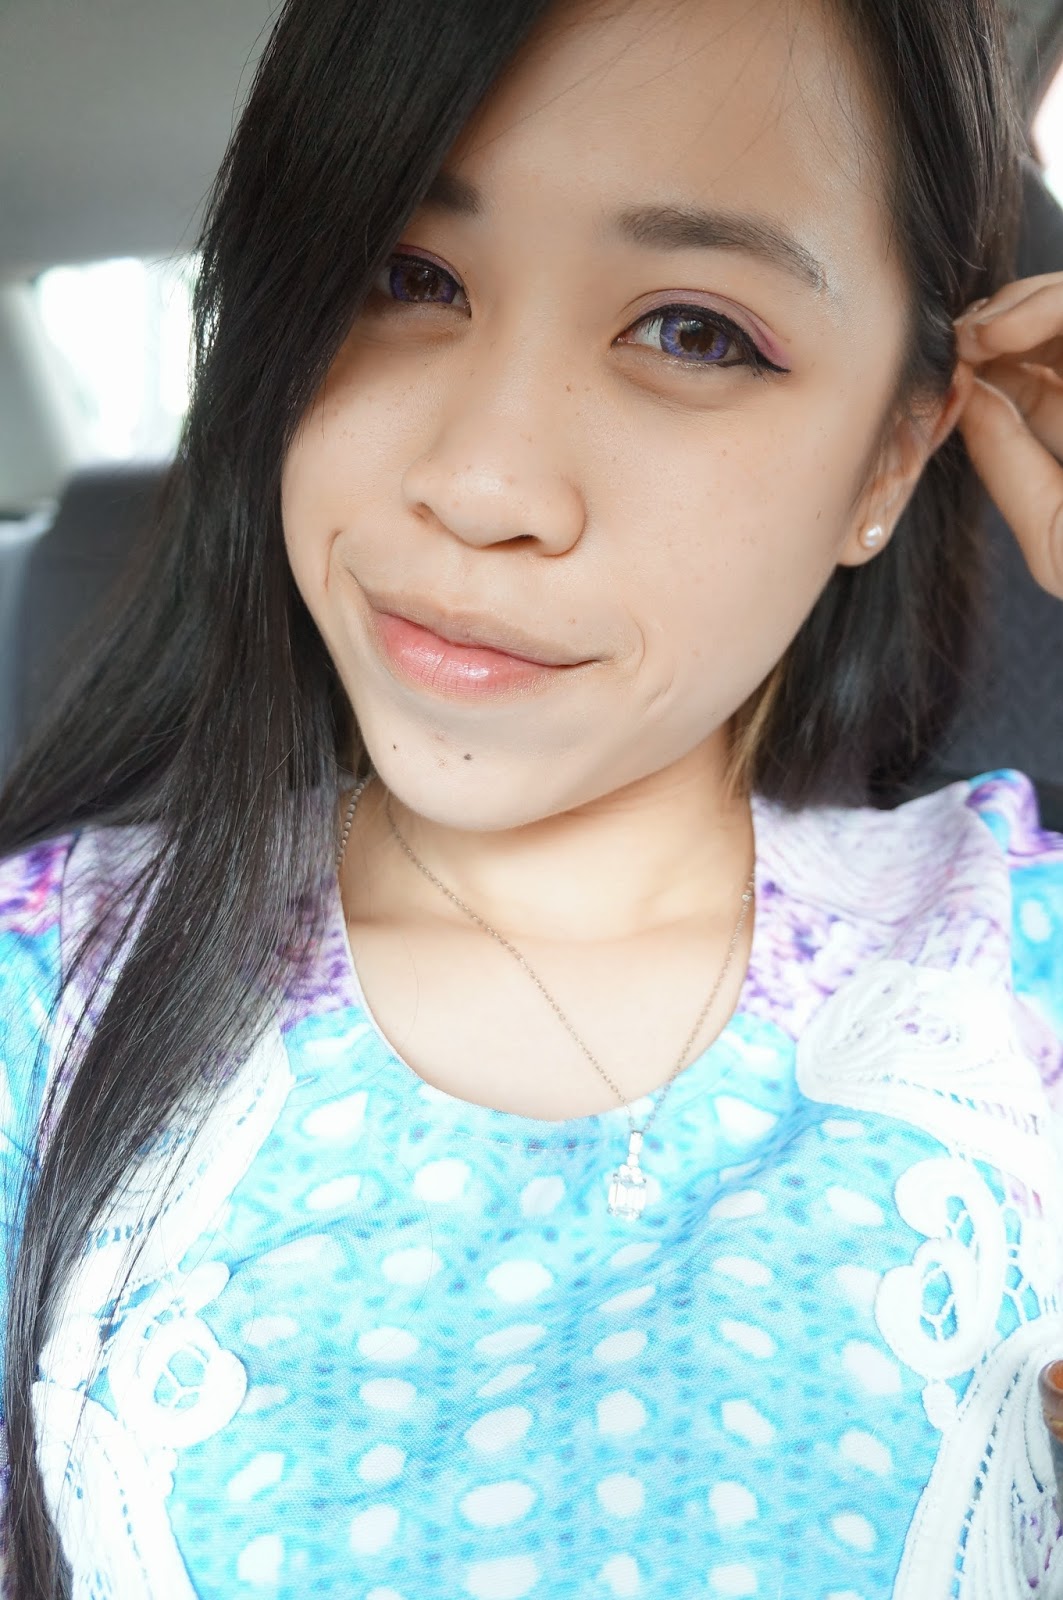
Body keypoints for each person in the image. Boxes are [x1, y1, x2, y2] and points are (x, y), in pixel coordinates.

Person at [0, 0, 1061, 1593]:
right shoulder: (43, 1002)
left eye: (693, 332)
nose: (484, 482)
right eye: (405, 276)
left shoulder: (1014, 978)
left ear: (889, 463)